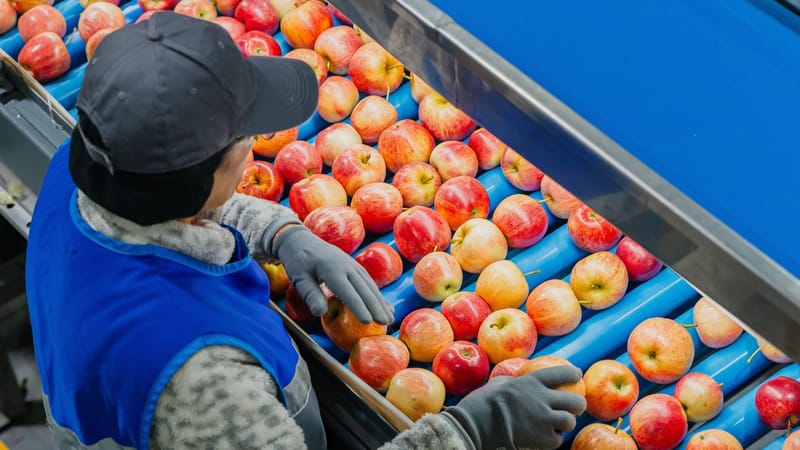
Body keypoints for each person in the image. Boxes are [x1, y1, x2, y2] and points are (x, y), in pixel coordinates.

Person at [25, 12, 585, 450]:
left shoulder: (77, 172)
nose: (254, 148)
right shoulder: (206, 379)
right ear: (202, 178)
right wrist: (469, 430)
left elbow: (168, 212)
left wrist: (279, 231)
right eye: (246, 139)